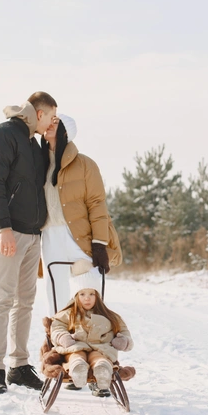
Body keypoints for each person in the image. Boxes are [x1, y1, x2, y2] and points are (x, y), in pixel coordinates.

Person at [0, 91, 57, 394]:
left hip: (33, 232)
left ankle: (19, 366)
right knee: (3, 299)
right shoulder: (4, 135)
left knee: (25, 302)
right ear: (39, 113)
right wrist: (4, 228)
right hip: (9, 230)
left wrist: (52, 141)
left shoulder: (33, 143)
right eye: (51, 116)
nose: (53, 121)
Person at [39, 114, 122, 316]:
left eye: (55, 123)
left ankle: (93, 340)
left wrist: (100, 243)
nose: (49, 124)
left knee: (89, 291)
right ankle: (57, 340)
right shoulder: (37, 163)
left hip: (80, 235)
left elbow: (97, 204)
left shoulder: (86, 164)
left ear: (65, 132)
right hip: (50, 235)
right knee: (56, 292)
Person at [50, 260, 134, 397]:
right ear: (76, 296)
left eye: (91, 294)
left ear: (98, 296)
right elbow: (56, 326)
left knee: (99, 357)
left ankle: (102, 370)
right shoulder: (69, 313)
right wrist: (62, 336)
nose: (87, 299)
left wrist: (124, 340)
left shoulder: (108, 316)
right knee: (77, 356)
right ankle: (78, 369)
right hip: (75, 347)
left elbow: (123, 329)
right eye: (82, 294)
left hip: (100, 348)